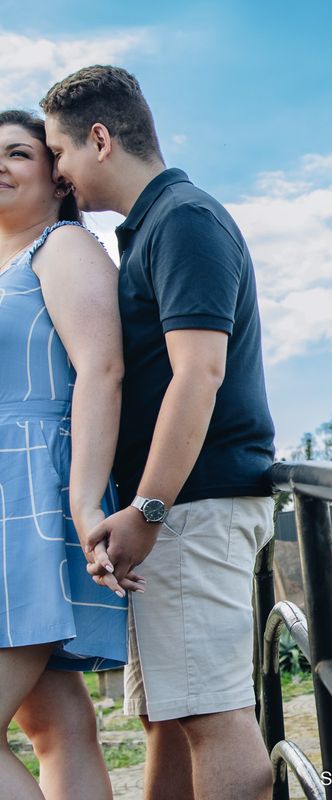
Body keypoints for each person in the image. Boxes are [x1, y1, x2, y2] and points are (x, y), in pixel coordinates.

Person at [42, 66, 277, 800]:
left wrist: (147, 509)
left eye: (59, 151)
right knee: (168, 719)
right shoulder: (153, 228)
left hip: (193, 508)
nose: (56, 170)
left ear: (100, 139)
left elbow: (198, 374)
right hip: (181, 510)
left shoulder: (183, 220)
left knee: (212, 717)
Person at [0, 109, 140, 800]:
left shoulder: (61, 246)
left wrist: (84, 503)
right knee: (54, 725)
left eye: (16, 153)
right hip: (8, 493)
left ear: (57, 178)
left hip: (33, 495)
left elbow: (101, 369)